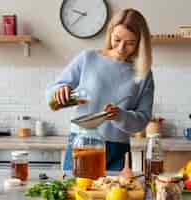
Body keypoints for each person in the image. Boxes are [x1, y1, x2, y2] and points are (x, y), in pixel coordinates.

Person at [46, 8, 154, 171]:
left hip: (118, 151)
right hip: (82, 144)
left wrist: (120, 115)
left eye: (130, 43)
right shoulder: (87, 58)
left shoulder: (143, 73)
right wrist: (60, 90)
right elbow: (51, 95)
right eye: (117, 39)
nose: (121, 48)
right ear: (110, 33)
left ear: (140, 43)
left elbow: (142, 120)